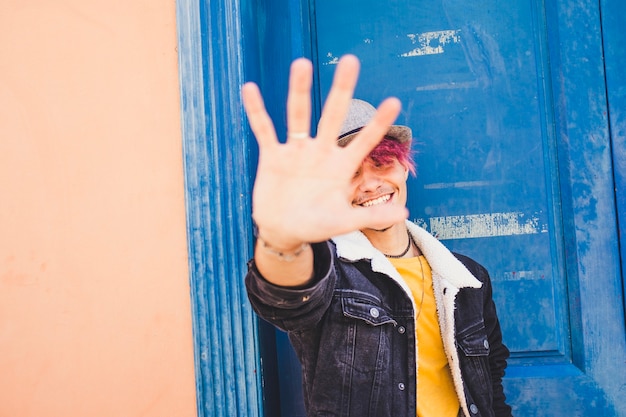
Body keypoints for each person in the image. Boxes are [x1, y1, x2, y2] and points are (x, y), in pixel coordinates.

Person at [242, 54, 512, 417]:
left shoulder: (468, 278)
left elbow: (489, 382)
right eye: (350, 172)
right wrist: (282, 243)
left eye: (382, 163)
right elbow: (287, 298)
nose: (370, 184)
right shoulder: (332, 273)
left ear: (404, 166)